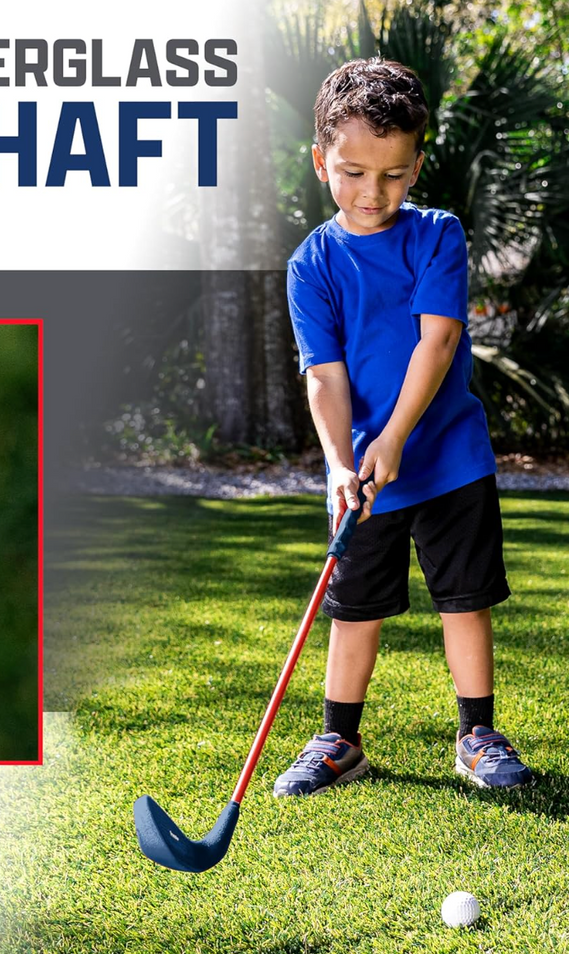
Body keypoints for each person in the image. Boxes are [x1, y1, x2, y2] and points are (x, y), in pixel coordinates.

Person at [276, 57, 533, 796]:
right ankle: (339, 739)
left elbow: (438, 340)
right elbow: (323, 375)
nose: (372, 193)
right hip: (363, 476)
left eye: (393, 175)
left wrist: (393, 438)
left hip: (449, 457)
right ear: (321, 160)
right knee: (353, 609)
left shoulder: (438, 236)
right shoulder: (311, 264)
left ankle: (477, 732)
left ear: (417, 163)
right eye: (353, 172)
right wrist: (338, 463)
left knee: (465, 598)